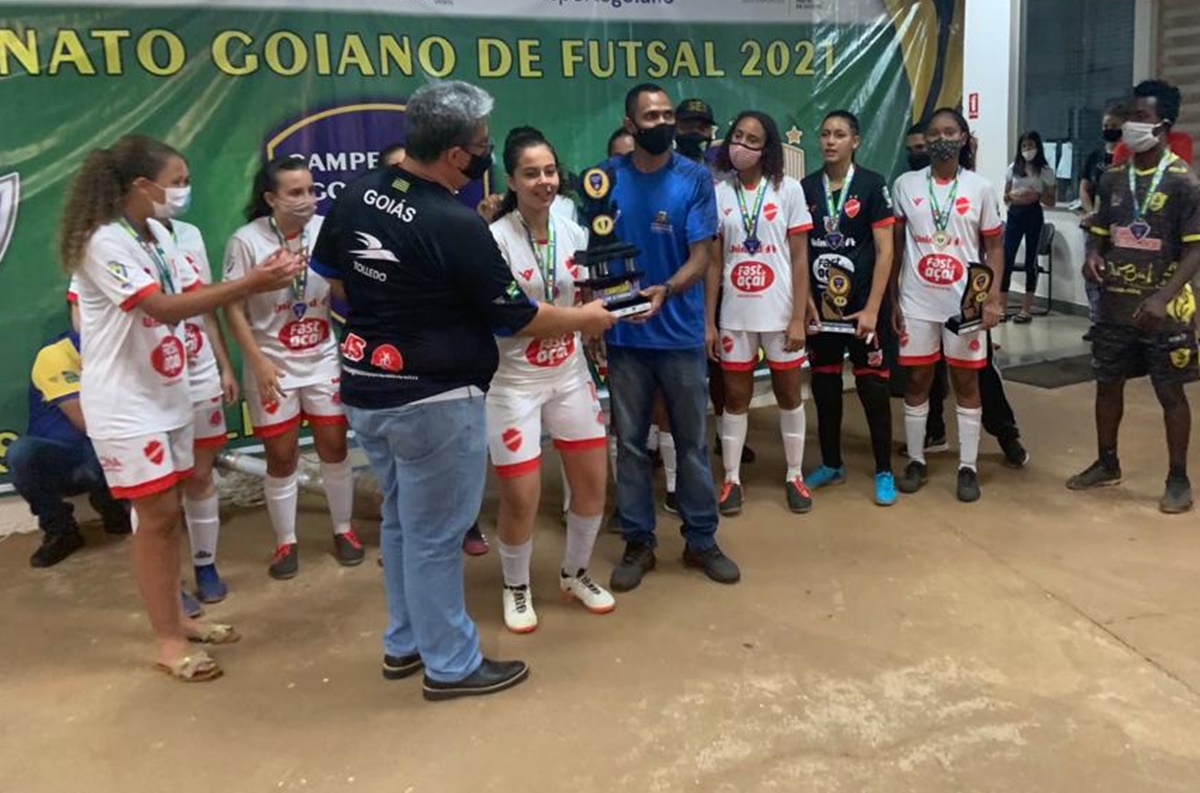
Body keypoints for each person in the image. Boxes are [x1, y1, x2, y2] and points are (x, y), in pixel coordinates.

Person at [310, 80, 615, 701]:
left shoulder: (355, 197)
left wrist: (387, 311)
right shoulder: (456, 223)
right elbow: (518, 320)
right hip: (435, 399)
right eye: (480, 146)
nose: (484, 155)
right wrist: (587, 320)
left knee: (400, 523)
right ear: (455, 155)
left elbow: (325, 284)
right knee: (435, 536)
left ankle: (404, 643)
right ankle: (450, 663)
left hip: (365, 388)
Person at [59, 133, 299, 680]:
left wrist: (246, 293)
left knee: (170, 516)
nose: (183, 192)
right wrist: (251, 282)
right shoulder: (104, 243)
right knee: (159, 518)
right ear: (141, 186)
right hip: (125, 404)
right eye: (177, 183)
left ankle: (177, 621)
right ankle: (168, 640)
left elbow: (196, 297)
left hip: (167, 394)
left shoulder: (161, 235)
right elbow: (164, 308)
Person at [603, 82, 740, 592]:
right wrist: (605, 312)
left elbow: (702, 255)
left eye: (667, 115)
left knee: (692, 445)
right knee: (633, 446)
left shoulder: (694, 179)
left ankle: (701, 538)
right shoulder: (604, 180)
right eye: (651, 115)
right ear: (630, 121)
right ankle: (639, 540)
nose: (661, 123)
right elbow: (594, 253)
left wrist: (666, 290)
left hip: (678, 333)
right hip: (625, 337)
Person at [486, 127, 615, 634]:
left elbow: (582, 297)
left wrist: (614, 312)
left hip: (568, 375)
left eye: (549, 171)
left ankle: (575, 573)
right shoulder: (492, 242)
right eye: (530, 173)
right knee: (521, 497)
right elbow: (512, 318)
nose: (543, 182)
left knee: (592, 485)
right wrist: (586, 320)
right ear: (511, 181)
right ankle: (515, 585)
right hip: (513, 383)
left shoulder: (574, 230)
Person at [223, 157, 363, 579]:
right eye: (295, 193)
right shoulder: (246, 241)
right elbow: (232, 305)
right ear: (271, 198)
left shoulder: (325, 230)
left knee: (335, 447)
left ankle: (344, 529)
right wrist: (258, 362)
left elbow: (340, 287)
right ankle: (286, 541)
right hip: (272, 363)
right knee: (281, 457)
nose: (307, 200)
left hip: (321, 357)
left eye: (311, 191)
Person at [1068, 96, 1200, 513]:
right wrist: (1092, 254)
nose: (1131, 126)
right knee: (1107, 387)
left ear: (1163, 123)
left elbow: (1196, 250)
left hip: (1163, 311)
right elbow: (1101, 230)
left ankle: (1178, 477)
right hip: (1115, 307)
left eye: (1140, 118)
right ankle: (1107, 463)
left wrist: (1163, 297)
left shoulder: (1183, 181)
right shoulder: (1111, 178)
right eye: (1128, 119)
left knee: (1170, 393)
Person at [892, 108, 1004, 502]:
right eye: (934, 132)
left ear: (963, 138)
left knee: (966, 382)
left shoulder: (981, 188)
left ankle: (968, 467)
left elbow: (993, 247)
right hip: (917, 300)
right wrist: (892, 297)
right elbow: (895, 244)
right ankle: (917, 459)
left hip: (965, 304)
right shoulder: (905, 185)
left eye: (950, 131)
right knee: (919, 381)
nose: (942, 138)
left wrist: (992, 299)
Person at [707, 110, 812, 515]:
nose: (742, 146)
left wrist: (799, 316)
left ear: (767, 148)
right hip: (735, 314)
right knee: (735, 397)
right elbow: (714, 264)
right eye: (738, 136)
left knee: (788, 393)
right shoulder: (719, 193)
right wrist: (708, 322)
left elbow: (800, 259)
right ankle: (731, 479)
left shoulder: (788, 190)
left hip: (781, 310)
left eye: (753, 140)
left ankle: (794, 474)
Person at [802, 110, 897, 506]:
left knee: (873, 387)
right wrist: (806, 301)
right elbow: (798, 251)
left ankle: (883, 469)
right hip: (822, 309)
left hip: (862, 308)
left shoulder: (873, 185)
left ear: (855, 141)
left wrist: (874, 308)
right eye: (824, 133)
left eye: (839, 134)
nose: (830, 141)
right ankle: (831, 463)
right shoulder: (805, 188)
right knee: (824, 386)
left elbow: (885, 249)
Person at [8, 308, 131, 568]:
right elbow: (86, 422)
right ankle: (60, 529)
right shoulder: (55, 355)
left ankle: (114, 506)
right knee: (20, 453)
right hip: (66, 459)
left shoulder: (122, 349)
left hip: (107, 455)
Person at [1001, 131, 1057, 324]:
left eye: (1030, 146)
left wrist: (1037, 196)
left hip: (1033, 214)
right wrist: (1014, 196)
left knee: (1030, 261)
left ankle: (1026, 309)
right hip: (1015, 214)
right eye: (1024, 146)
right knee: (1006, 259)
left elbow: (1052, 200)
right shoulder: (1012, 168)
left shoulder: (1045, 171)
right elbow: (1005, 196)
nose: (1027, 150)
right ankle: (1002, 307)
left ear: (1038, 147)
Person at [1080, 107, 1126, 326]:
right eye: (1106, 126)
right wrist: (1091, 212)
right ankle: (1096, 320)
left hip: (1120, 225)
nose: (1109, 130)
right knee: (1092, 271)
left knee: (1115, 273)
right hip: (1094, 222)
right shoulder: (1095, 156)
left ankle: (1114, 319)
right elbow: (1084, 187)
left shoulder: (1129, 156)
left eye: (1114, 126)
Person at [1112, 80, 1194, 167]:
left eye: (1141, 117)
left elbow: (1175, 175)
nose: (1131, 122)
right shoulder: (1123, 149)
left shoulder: (1179, 142)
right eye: (1129, 116)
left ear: (1164, 125)